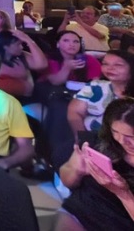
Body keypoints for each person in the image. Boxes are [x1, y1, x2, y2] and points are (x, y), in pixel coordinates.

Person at [55, 98, 134, 230]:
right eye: (115, 132)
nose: (121, 141)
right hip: (82, 210)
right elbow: (67, 181)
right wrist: (76, 171)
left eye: (131, 136)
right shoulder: (99, 141)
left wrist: (122, 193)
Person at [68, 51, 134, 137]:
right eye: (105, 64)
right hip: (90, 137)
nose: (110, 68)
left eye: (118, 65)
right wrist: (82, 138)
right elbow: (75, 112)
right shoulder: (95, 86)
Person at [0, 30, 48, 100]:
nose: (22, 47)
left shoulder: (22, 56)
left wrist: (29, 41)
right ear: (6, 47)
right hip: (1, 99)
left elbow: (42, 64)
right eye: (18, 44)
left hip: (26, 99)